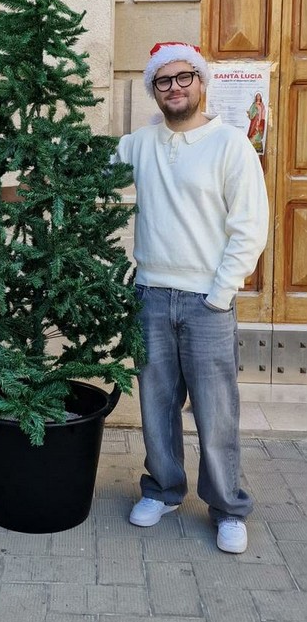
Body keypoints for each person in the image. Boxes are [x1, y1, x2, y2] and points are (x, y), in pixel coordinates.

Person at [111, 42, 269, 554]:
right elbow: (86, 170)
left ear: (201, 84)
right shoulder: (140, 144)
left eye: (185, 78)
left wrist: (221, 293)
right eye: (164, 81)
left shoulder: (230, 145)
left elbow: (249, 227)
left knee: (216, 410)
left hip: (206, 302)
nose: (175, 88)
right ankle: (163, 489)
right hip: (152, 295)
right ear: (153, 91)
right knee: (157, 405)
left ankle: (227, 507)